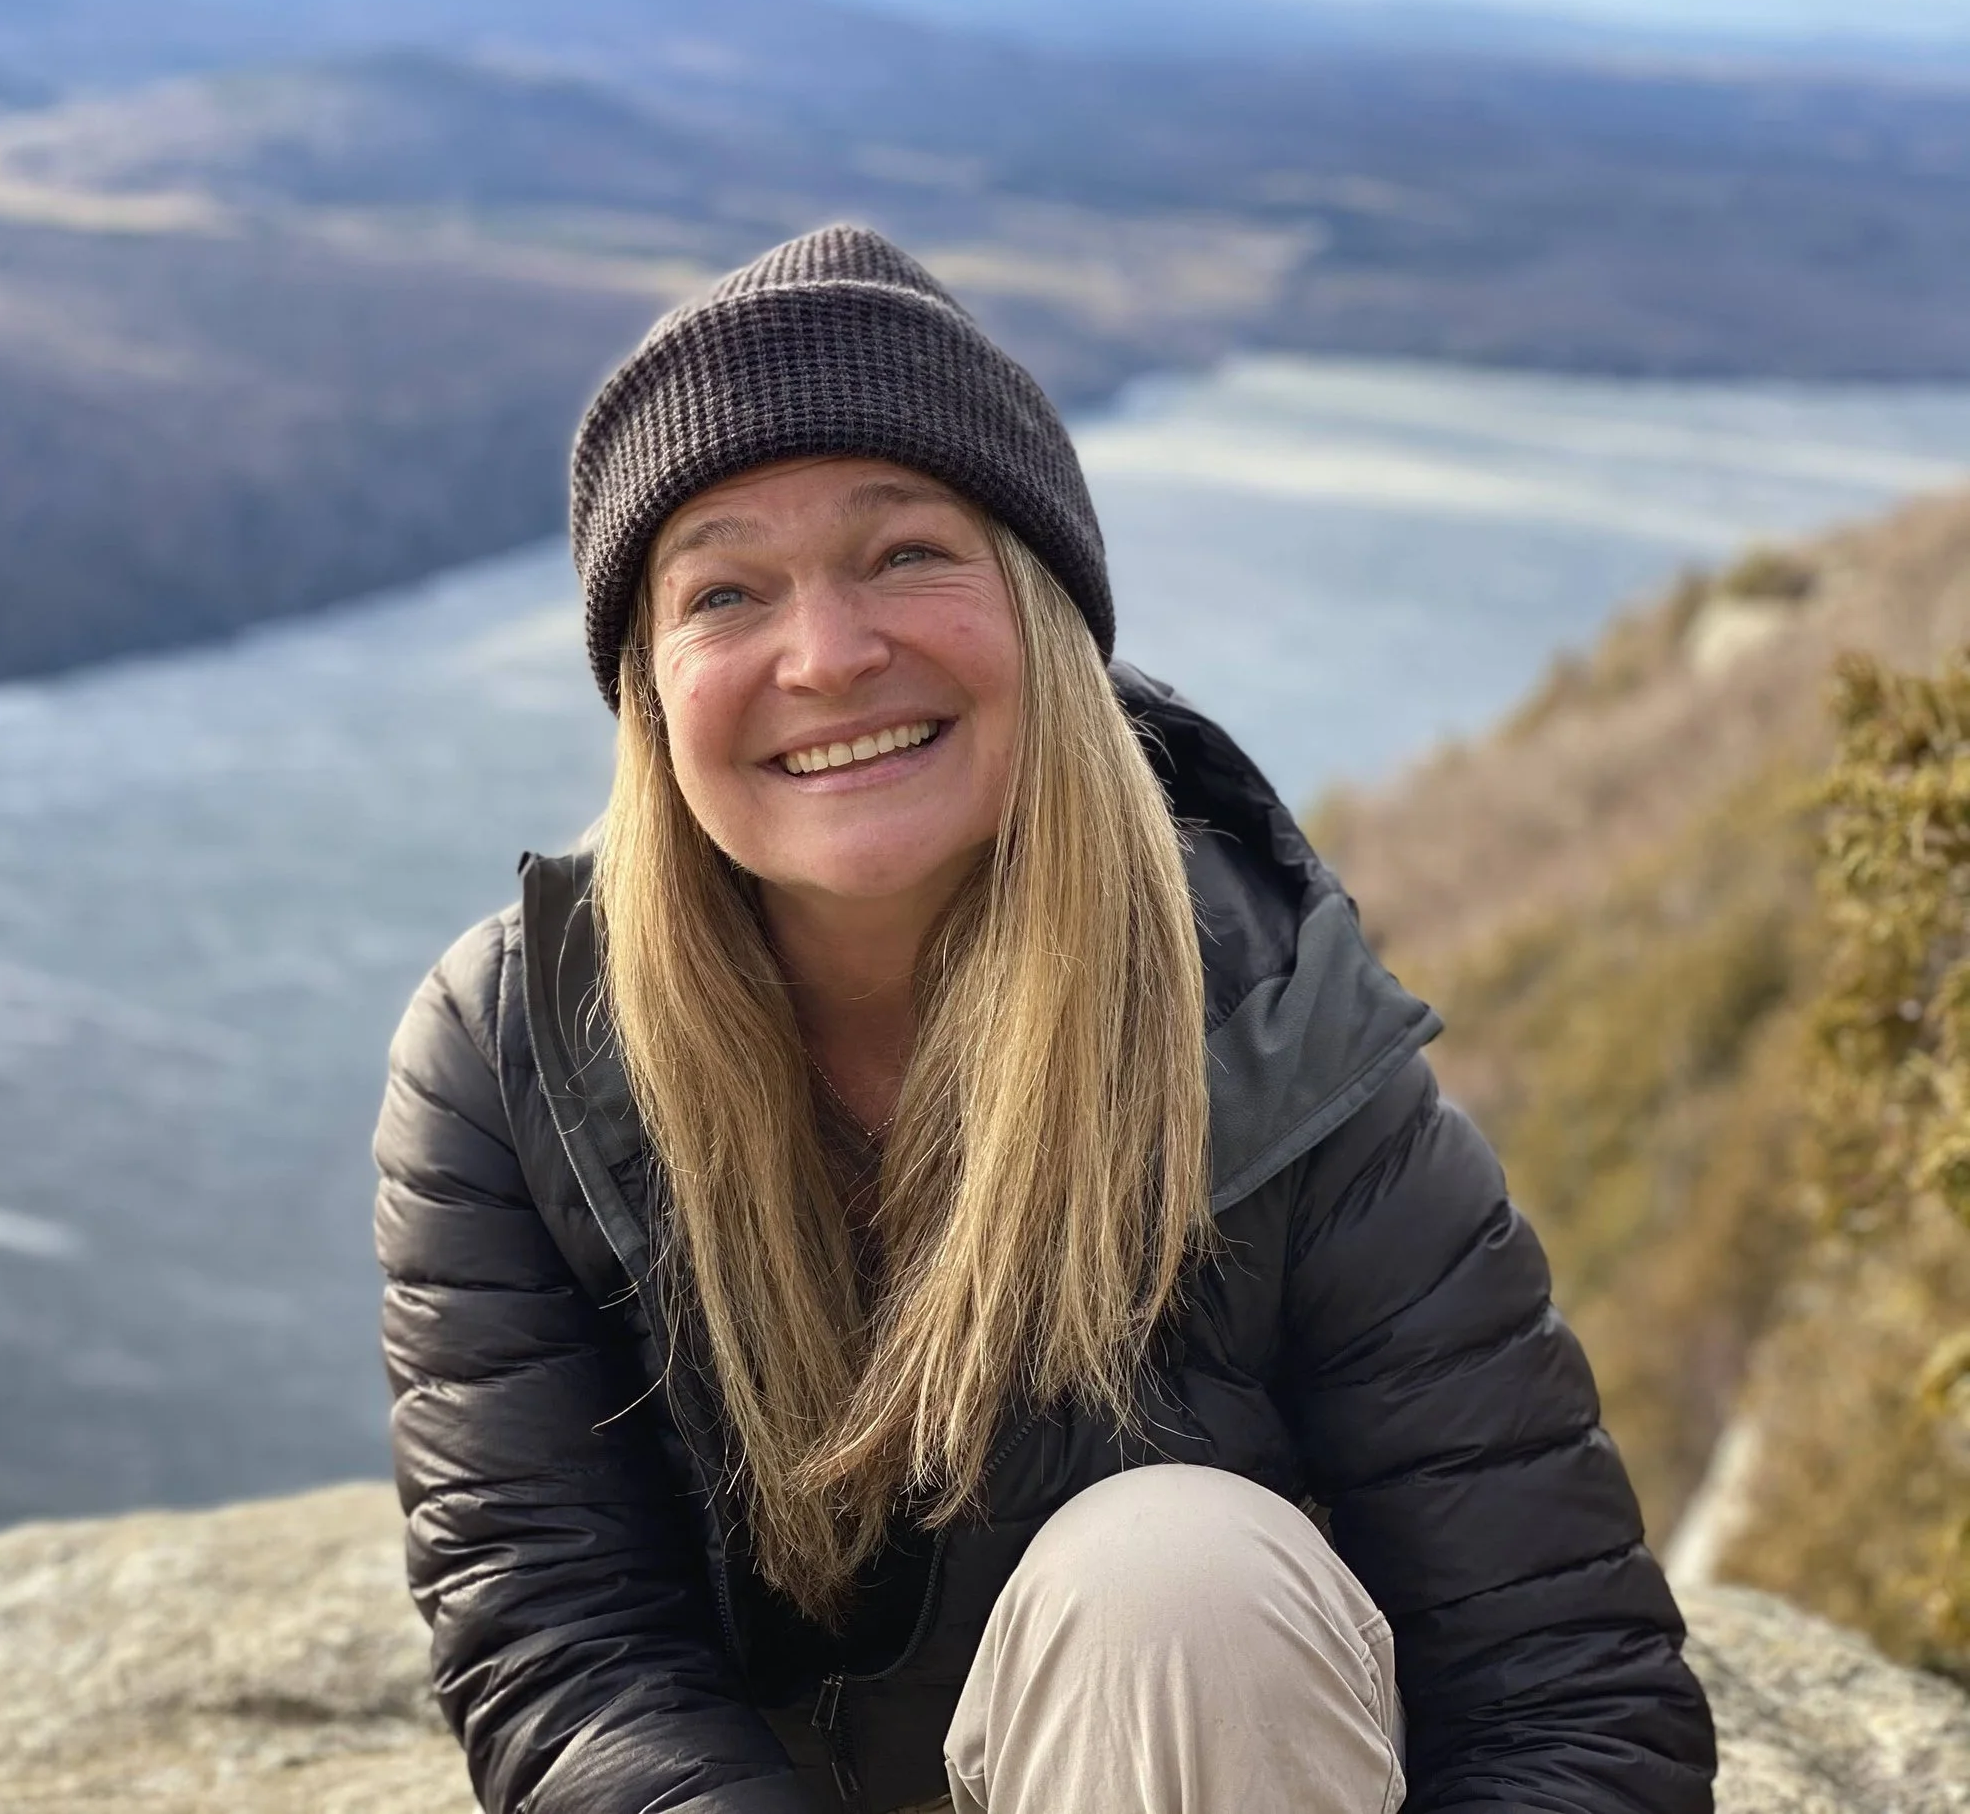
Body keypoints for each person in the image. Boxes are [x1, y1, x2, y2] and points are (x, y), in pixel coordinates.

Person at [374, 225, 1716, 1814]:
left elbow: (1576, 1701)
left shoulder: (1271, 1041)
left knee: (1178, 1581)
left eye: (907, 554)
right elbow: (571, 1657)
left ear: (1043, 613)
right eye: (725, 589)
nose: (828, 654)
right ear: (649, 692)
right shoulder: (513, 1057)